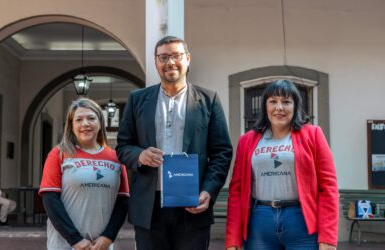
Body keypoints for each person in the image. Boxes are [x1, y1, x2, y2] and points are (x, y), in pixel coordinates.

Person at [116, 36, 233, 250]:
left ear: (188, 59)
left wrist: (208, 190)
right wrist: (139, 156)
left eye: (176, 56)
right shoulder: (137, 100)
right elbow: (123, 146)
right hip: (149, 207)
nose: (170, 62)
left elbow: (221, 152)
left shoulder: (209, 100)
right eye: (163, 57)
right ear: (156, 62)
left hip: (192, 203)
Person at [225, 80, 339, 250]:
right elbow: (236, 191)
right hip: (259, 222)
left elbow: (328, 187)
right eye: (273, 101)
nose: (279, 107)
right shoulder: (247, 140)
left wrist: (328, 236)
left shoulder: (313, 134)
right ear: (265, 106)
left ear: (295, 106)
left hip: (301, 221)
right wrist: (232, 239)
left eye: (286, 102)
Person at [39, 98, 129, 250]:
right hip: (65, 244)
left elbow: (123, 201)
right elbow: (50, 200)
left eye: (91, 118)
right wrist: (75, 239)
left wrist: (109, 236)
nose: (85, 124)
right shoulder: (59, 154)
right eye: (79, 120)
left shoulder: (116, 158)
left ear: (100, 123)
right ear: (71, 126)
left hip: (101, 245)